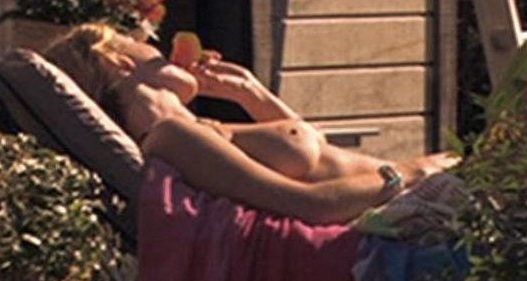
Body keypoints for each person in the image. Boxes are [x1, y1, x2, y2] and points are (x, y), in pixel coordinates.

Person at [45, 23, 457, 225]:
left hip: (411, 199)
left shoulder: (199, 129)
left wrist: (251, 94)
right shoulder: (173, 138)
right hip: (405, 213)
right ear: (118, 61)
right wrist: (409, 172)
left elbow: (318, 155)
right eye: (146, 45)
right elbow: (308, 205)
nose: (158, 50)